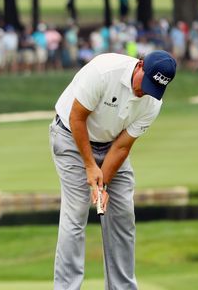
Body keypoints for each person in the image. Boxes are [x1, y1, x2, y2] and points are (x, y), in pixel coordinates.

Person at [50, 50, 176, 290]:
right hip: (70, 136)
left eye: (153, 88)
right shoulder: (104, 71)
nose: (144, 91)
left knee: (123, 215)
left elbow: (122, 146)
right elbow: (77, 118)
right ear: (140, 66)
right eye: (145, 83)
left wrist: (102, 185)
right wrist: (89, 166)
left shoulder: (153, 102)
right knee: (75, 215)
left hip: (110, 145)